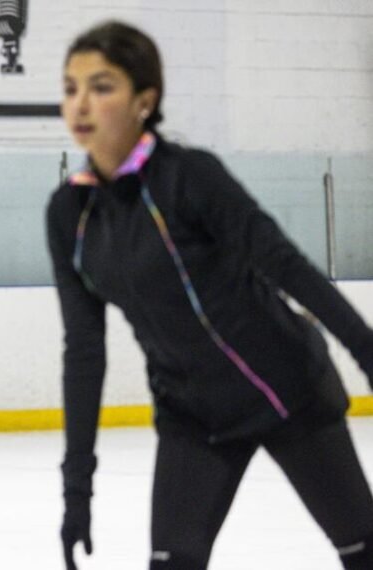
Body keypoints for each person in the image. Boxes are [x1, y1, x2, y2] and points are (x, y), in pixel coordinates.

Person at [47, 20, 373, 570]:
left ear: (144, 100)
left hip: (286, 391)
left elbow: (285, 265)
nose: (80, 103)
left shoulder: (189, 177)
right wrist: (76, 488)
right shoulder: (70, 215)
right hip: (192, 416)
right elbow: (84, 351)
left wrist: (367, 351)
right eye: (71, 86)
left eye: (102, 87)